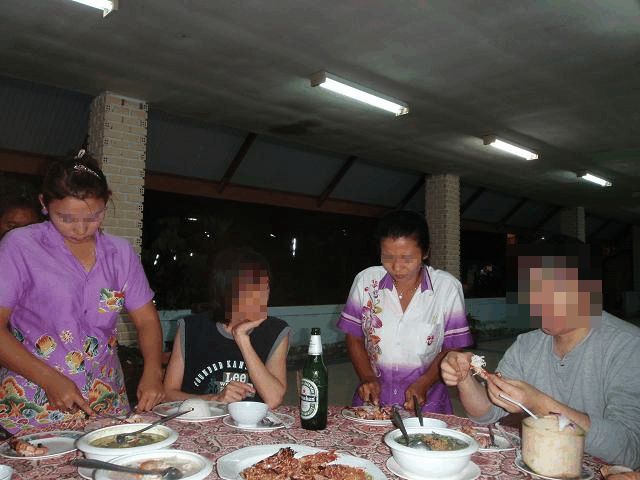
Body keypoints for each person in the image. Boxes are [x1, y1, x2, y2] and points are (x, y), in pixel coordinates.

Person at [0, 151, 165, 433]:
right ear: (44, 204)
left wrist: (153, 370)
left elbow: (147, 320)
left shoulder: (120, 254)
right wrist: (48, 379)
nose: (80, 229)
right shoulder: (21, 247)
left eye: (93, 216)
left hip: (106, 400)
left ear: (106, 202)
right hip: (33, 401)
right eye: (65, 218)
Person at [441, 235, 640, 468]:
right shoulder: (527, 345)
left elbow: (629, 450)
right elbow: (486, 412)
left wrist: (540, 404)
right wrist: (464, 377)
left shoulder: (627, 345)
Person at [337, 210, 473, 413]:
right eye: (388, 257)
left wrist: (425, 382)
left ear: (425, 253)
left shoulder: (446, 288)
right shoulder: (366, 282)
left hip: (427, 402)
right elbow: (354, 336)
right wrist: (367, 377)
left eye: (407, 258)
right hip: (373, 402)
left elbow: (453, 347)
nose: (397, 267)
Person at [163, 247, 289, 409]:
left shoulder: (276, 331)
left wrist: (242, 339)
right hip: (200, 420)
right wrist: (214, 398)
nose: (262, 296)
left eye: (265, 287)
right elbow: (168, 394)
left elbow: (274, 399)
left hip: (252, 422)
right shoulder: (191, 328)